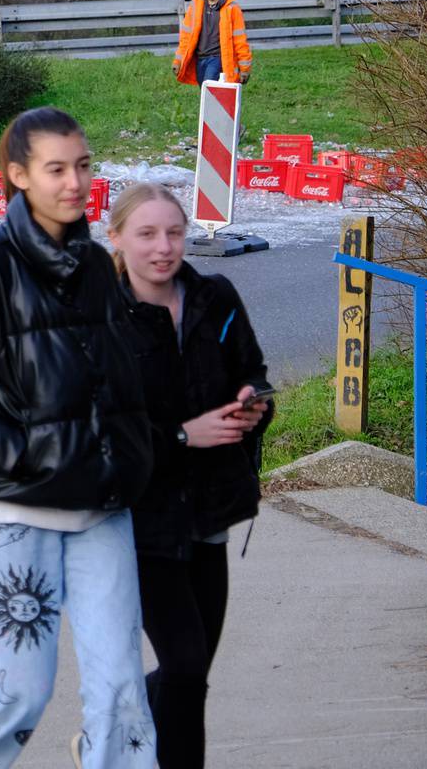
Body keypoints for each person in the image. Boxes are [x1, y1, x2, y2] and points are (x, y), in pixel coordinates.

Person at [0, 108, 156, 769]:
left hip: (100, 508)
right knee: (15, 696)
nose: (76, 182)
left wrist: (135, 457)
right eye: (56, 169)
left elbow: (114, 383)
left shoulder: (99, 265)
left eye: (84, 165)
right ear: (18, 176)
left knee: (122, 690)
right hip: (11, 514)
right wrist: (23, 453)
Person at [105, 182, 272, 769]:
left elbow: (253, 373)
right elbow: (97, 433)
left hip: (209, 513)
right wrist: (183, 433)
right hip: (139, 523)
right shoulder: (102, 322)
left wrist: (254, 403)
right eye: (146, 234)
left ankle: (112, 738)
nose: (164, 247)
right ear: (117, 239)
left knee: (191, 673)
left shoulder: (215, 298)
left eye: (174, 232)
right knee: (182, 667)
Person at [173, 0, 252, 86]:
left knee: (208, 88)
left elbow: (240, 40)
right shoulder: (196, 5)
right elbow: (186, 37)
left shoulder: (232, 8)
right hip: (200, 58)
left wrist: (244, 68)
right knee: (206, 93)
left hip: (217, 57)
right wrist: (178, 61)